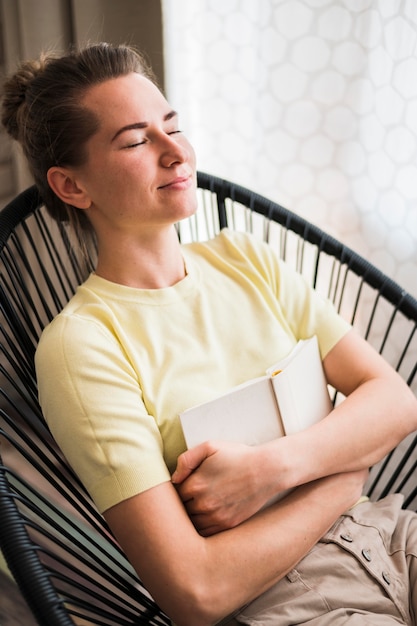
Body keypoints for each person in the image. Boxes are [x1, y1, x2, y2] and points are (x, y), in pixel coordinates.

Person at [2, 42, 417, 626]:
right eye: (137, 140)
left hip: (390, 534)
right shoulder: (83, 346)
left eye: (173, 127)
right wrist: (346, 466)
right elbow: (195, 593)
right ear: (72, 187)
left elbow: (397, 402)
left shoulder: (246, 258)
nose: (177, 154)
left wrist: (277, 468)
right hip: (283, 600)